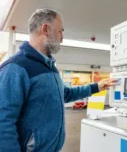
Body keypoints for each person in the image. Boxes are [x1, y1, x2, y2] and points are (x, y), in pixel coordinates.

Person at [0, 9, 117, 152]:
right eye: (60, 31)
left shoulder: (50, 67)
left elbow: (65, 94)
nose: (62, 37)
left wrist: (97, 87)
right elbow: (3, 122)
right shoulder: (16, 68)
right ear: (45, 29)